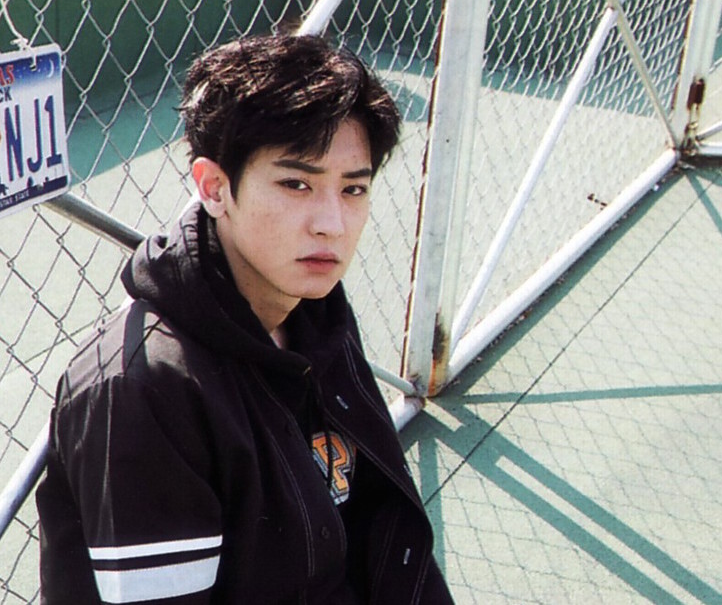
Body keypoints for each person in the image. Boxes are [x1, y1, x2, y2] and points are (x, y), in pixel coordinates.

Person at [35, 33, 454, 604]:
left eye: (353, 189)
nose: (332, 224)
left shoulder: (313, 308)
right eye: (296, 184)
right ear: (214, 188)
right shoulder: (143, 389)